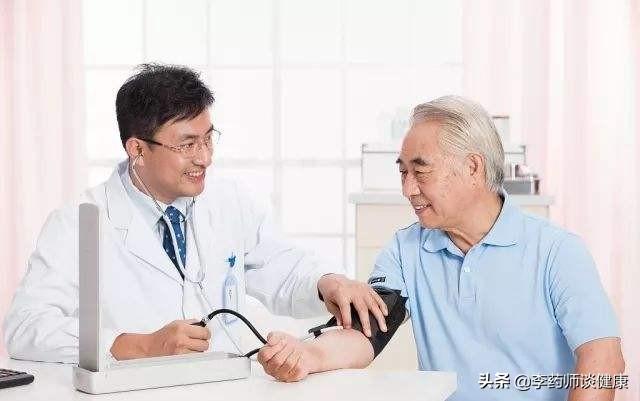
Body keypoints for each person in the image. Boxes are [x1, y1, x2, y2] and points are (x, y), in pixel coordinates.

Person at [3, 64, 387, 363]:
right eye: (187, 145)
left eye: (208, 139)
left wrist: (326, 282)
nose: (204, 158)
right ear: (137, 149)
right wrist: (140, 345)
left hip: (227, 386)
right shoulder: (78, 223)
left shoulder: (228, 201)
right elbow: (26, 327)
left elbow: (280, 267)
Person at [256, 96, 625, 401]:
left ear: (473, 168)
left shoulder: (557, 252)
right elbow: (369, 332)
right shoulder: (406, 249)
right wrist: (307, 355)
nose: (408, 189)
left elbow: (603, 360)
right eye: (403, 172)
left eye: (421, 172)